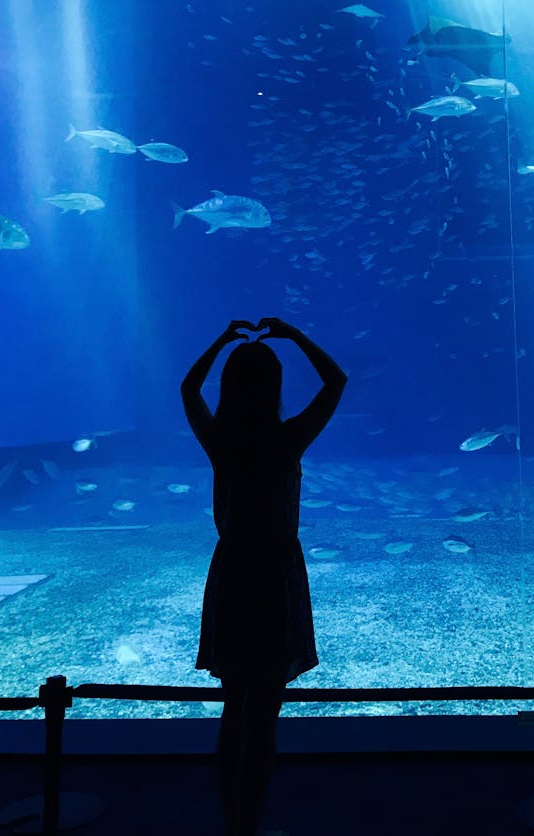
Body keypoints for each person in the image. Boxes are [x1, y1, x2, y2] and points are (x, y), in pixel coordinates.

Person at [181, 316, 347, 836]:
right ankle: (249, 821)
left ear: (229, 389)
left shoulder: (219, 440)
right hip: (275, 573)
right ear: (274, 389)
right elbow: (335, 381)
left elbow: (188, 388)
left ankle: (234, 824)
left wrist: (222, 340)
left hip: (233, 571)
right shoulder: (288, 438)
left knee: (235, 708)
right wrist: (295, 335)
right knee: (266, 711)